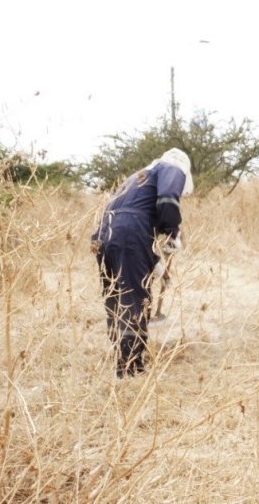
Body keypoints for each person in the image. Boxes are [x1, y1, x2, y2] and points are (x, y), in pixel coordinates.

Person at [92, 148, 193, 377]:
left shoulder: (137, 179)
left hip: (104, 235)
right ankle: (129, 370)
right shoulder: (172, 166)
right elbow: (167, 199)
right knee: (134, 299)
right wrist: (172, 231)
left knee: (116, 298)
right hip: (130, 234)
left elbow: (129, 222)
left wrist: (158, 268)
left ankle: (123, 359)